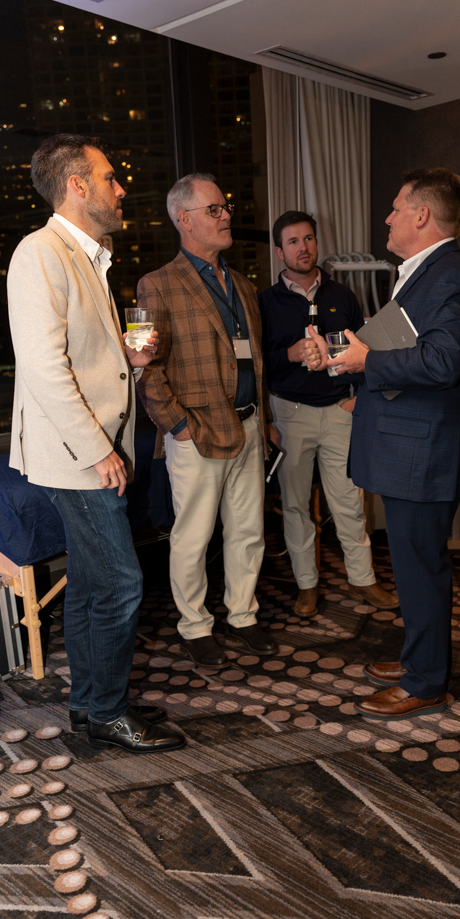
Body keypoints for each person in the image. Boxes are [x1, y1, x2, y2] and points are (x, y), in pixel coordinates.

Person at [8, 134, 185, 757]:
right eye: (110, 177)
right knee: (121, 584)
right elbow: (43, 368)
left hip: (90, 448)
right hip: (75, 455)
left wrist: (131, 361)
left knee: (88, 584)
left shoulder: (91, 256)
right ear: (77, 186)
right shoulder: (40, 252)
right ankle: (108, 712)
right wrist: (97, 450)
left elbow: (84, 360)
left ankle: (88, 704)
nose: (121, 188)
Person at [306, 168, 460, 721]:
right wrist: (347, 359)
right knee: (410, 566)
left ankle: (426, 681)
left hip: (422, 453)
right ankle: (418, 661)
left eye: (395, 207)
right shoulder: (426, 273)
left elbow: (442, 362)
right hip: (409, 447)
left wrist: (368, 359)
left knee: (420, 568)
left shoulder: (450, 276)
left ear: (422, 215)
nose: (387, 218)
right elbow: (408, 350)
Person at [136, 173, 278, 670]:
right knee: (193, 537)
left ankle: (243, 615)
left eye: (225, 207)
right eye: (214, 209)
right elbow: (145, 367)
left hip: (249, 425)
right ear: (185, 219)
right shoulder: (156, 284)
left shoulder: (243, 285)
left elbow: (255, 361)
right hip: (196, 432)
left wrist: (265, 418)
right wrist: (176, 425)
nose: (226, 216)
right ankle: (195, 625)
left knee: (249, 531)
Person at [258, 211, 398, 617]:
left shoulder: (343, 295)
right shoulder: (265, 303)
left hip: (339, 411)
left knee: (350, 502)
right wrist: (289, 354)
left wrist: (357, 397)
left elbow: (364, 352)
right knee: (296, 506)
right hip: (290, 414)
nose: (303, 248)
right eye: (293, 241)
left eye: (308, 239)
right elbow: (258, 365)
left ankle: (362, 579)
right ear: (279, 251)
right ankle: (307, 585)